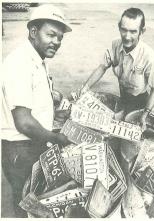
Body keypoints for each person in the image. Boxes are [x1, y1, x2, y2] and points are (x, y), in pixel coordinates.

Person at [1, 4, 72, 217]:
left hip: (31, 145)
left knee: (35, 203)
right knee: (27, 205)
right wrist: (56, 138)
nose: (56, 42)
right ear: (33, 32)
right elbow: (23, 121)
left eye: (60, 37)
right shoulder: (19, 62)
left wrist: (53, 112)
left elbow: (33, 102)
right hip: (20, 150)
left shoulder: (37, 58)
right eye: (51, 35)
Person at [80, 7, 154, 130]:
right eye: (124, 30)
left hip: (140, 102)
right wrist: (85, 87)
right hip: (123, 97)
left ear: (142, 31)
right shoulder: (115, 45)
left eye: (133, 31)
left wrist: (145, 114)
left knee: (131, 134)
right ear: (119, 27)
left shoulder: (149, 57)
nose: (127, 36)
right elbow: (102, 67)